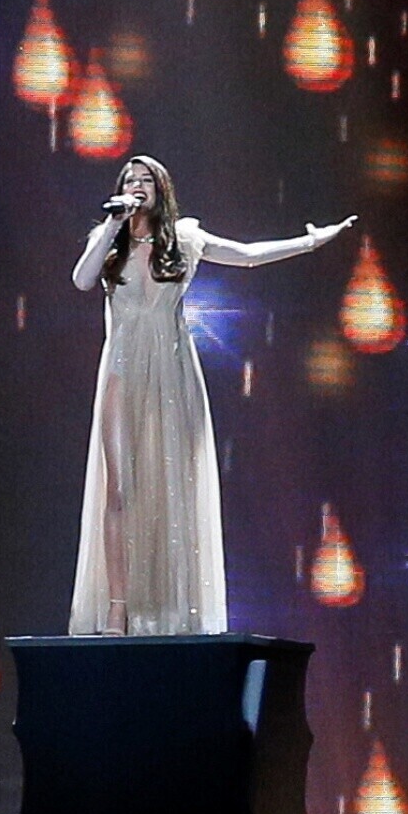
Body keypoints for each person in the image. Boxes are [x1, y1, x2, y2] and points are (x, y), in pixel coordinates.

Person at [67, 155, 358, 636]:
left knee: (168, 486)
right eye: (130, 180)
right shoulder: (111, 240)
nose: (137, 186)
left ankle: (168, 609)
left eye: (145, 180)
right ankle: (118, 608)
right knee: (118, 488)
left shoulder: (185, 239)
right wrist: (112, 223)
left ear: (162, 188)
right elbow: (81, 280)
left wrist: (311, 241)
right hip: (121, 372)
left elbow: (248, 254)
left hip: (171, 374)